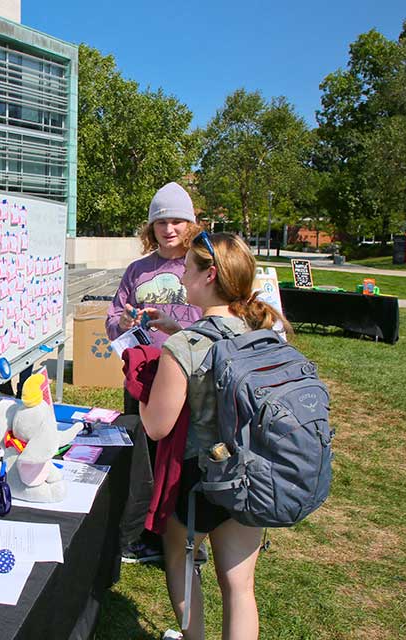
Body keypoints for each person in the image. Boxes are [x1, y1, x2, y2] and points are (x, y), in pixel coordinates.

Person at [139, 232, 289, 640]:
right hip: (254, 473)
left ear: (209, 275)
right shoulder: (262, 331)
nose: (182, 277)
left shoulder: (185, 346)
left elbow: (156, 425)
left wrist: (139, 386)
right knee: (240, 587)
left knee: (179, 559)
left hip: (200, 480)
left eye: (188, 268)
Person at [107, 181, 203, 565]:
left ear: (191, 224)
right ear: (151, 227)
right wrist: (124, 322)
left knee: (184, 459)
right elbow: (113, 318)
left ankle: (183, 536)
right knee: (143, 459)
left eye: (178, 221)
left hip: (191, 378)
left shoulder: (201, 266)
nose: (169, 229)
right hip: (144, 377)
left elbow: (215, 317)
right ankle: (142, 534)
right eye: (161, 222)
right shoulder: (137, 270)